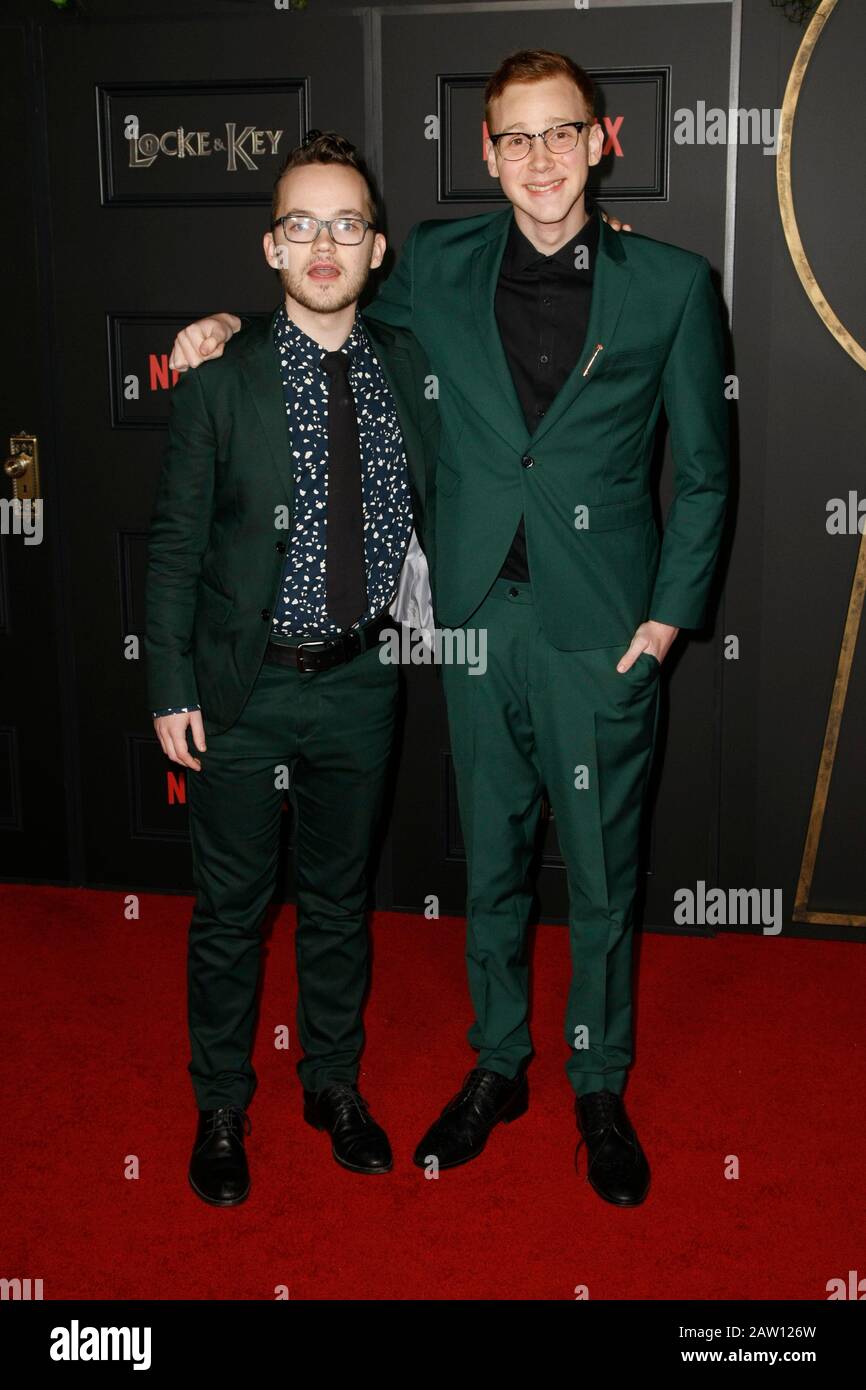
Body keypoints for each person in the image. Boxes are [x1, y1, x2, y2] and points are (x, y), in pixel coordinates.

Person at [169, 48, 729, 1207]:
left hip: (601, 631)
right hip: (473, 625)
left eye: (559, 133)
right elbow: (322, 301)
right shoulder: (434, 261)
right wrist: (212, 328)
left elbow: (706, 477)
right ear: (485, 154)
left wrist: (668, 622)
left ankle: (598, 1084)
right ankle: (497, 1064)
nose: (538, 159)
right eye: (514, 139)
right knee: (491, 866)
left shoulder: (673, 286)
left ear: (600, 140)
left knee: (603, 874)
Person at [145, 130, 439, 1205]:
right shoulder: (221, 376)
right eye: (301, 224)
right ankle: (222, 1100)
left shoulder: (410, 362)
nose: (324, 243)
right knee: (229, 910)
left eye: (346, 223)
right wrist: (170, 683)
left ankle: (332, 1086)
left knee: (337, 901)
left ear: (378, 245)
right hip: (243, 687)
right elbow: (175, 541)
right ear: (272, 246)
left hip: (362, 681)